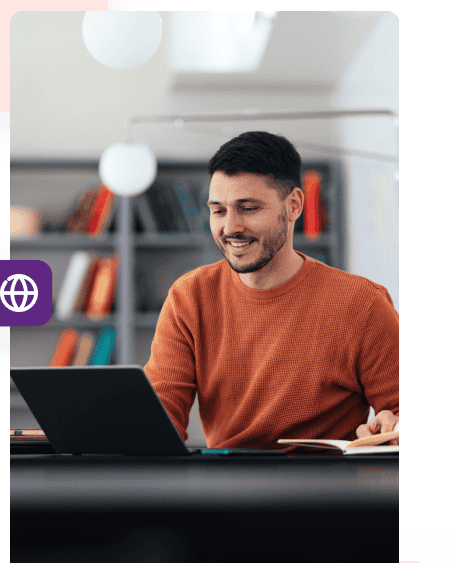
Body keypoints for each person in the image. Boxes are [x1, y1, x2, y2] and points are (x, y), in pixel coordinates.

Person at [144, 131, 399, 450]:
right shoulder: (189, 296)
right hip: (228, 488)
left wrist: (393, 425)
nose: (230, 227)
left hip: (330, 491)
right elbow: (158, 418)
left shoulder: (362, 303)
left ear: (293, 206)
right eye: (219, 210)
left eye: (248, 208)